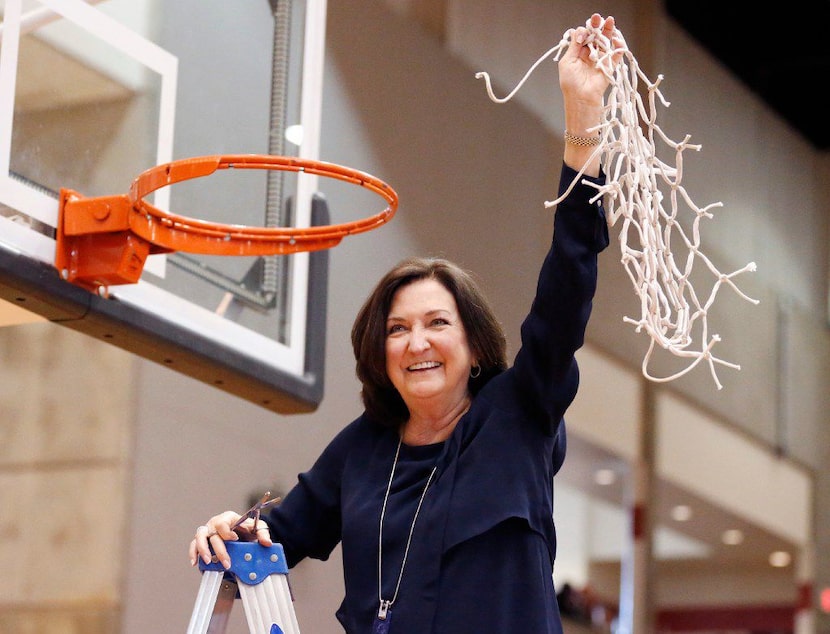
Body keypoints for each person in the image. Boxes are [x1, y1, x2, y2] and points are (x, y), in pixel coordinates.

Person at [190, 13, 622, 634]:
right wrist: (222, 534)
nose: (416, 342)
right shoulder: (362, 450)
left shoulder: (519, 415)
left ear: (474, 346)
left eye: (437, 323)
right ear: (379, 351)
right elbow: (270, 536)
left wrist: (582, 121)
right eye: (397, 329)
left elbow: (568, 285)